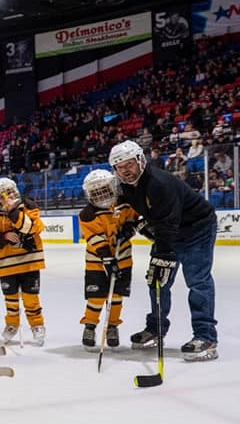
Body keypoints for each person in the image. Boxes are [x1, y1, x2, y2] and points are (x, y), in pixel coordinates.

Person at [109, 140, 219, 361]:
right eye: (120, 167)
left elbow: (168, 223)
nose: (125, 170)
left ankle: (206, 337)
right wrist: (131, 225)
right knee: (157, 282)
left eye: (129, 164)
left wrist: (163, 255)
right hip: (169, 231)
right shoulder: (125, 186)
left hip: (197, 228)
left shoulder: (159, 183)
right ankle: (156, 329)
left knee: (197, 281)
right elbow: (135, 210)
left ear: (141, 160)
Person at [77, 170, 138, 350]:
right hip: (96, 260)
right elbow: (95, 238)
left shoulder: (126, 204)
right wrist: (107, 258)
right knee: (96, 297)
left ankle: (112, 326)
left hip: (123, 258)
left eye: (104, 189)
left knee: (117, 296)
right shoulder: (88, 214)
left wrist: (130, 228)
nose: (101, 194)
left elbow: (135, 219)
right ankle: (90, 326)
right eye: (96, 192)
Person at [0, 178, 47, 345]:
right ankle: (12, 324)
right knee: (11, 299)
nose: (8, 197)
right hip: (7, 265)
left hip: (29, 262)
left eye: (10, 192)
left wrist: (14, 212)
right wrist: (2, 237)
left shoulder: (27, 206)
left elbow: (35, 227)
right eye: (2, 195)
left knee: (31, 298)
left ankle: (37, 325)